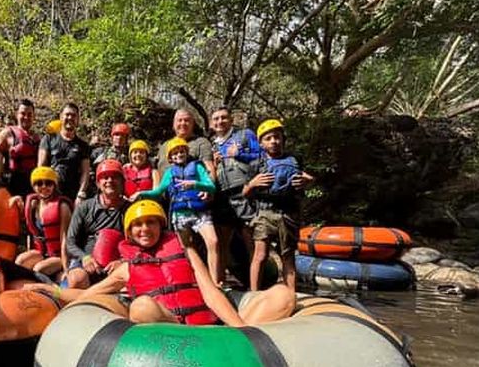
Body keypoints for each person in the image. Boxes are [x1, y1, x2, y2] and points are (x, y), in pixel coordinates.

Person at [35, 200, 294, 326]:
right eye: (137, 225)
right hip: (173, 330)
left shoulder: (186, 250)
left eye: (151, 222)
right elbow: (87, 295)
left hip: (209, 327)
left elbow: (210, 292)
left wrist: (239, 329)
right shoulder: (126, 268)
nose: (144, 229)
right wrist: (52, 291)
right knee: (141, 307)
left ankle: (238, 343)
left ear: (161, 225)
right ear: (129, 233)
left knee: (283, 295)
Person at [132, 137, 221, 285]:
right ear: (171, 158)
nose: (179, 155)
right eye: (175, 153)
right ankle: (196, 281)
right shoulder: (169, 172)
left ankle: (215, 281)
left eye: (181, 151)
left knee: (213, 241)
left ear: (186, 152)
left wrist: (195, 184)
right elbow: (158, 191)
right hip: (180, 215)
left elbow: (211, 187)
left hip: (200, 212)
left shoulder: (197, 167)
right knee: (187, 248)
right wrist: (141, 194)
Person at [243, 119, 314, 291]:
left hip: (288, 213)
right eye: (268, 138)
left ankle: (291, 295)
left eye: (277, 137)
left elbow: (308, 178)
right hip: (264, 212)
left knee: (288, 256)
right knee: (260, 255)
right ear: (261, 143)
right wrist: (252, 184)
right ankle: (254, 294)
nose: (273, 141)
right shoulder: (256, 164)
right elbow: (245, 192)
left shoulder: (294, 159)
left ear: (283, 139)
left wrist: (308, 181)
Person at [210, 106, 261, 282]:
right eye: (216, 119)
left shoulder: (245, 135)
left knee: (251, 239)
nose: (220, 121)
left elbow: (261, 156)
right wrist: (214, 164)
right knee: (222, 241)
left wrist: (240, 154)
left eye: (223, 117)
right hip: (222, 196)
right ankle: (220, 283)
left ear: (231, 120)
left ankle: (256, 286)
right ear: (211, 123)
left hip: (245, 192)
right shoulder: (212, 144)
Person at [65, 159, 128, 288]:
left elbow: (138, 245)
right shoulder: (84, 207)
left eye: (115, 177)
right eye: (105, 177)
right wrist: (84, 257)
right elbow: (70, 242)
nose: (110, 180)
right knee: (77, 279)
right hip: (86, 260)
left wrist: (122, 261)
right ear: (98, 183)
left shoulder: (130, 209)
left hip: (117, 262)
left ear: (122, 182)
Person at [9, 166, 73, 279]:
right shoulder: (33, 204)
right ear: (33, 186)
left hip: (58, 255)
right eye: (39, 184)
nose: (44, 187)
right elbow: (24, 222)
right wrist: (17, 202)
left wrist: (66, 269)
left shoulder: (63, 207)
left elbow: (65, 240)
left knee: (38, 269)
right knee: (20, 262)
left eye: (48, 183)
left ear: (54, 185)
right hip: (40, 252)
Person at [38, 103, 91, 202]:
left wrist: (81, 194)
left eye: (73, 115)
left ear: (78, 119)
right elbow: (41, 167)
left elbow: (85, 173)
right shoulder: (48, 139)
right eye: (67, 114)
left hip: (73, 196)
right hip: (51, 193)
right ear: (61, 117)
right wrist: (43, 191)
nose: (70, 118)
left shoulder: (83, 146)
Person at [0, 99, 40, 196]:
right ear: (16, 114)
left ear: (33, 116)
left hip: (33, 184)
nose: (26, 117)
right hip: (12, 184)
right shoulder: (8, 133)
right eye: (23, 113)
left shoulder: (37, 137)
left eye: (29, 114)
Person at [155, 109, 215, 178]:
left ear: (192, 124)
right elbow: (156, 172)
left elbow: (209, 169)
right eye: (179, 120)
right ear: (173, 124)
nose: (183, 123)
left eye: (187, 120)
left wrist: (209, 183)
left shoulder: (201, 142)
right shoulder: (164, 146)